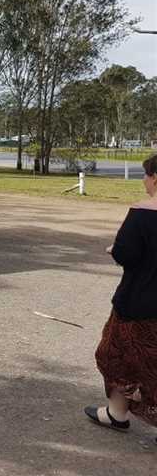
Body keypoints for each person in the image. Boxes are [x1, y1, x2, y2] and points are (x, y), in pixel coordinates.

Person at [85, 154, 157, 436]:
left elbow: (126, 253)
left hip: (139, 305)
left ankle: (117, 412)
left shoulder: (142, 213)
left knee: (115, 355)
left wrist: (113, 250)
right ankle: (117, 412)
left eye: (146, 175)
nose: (143, 180)